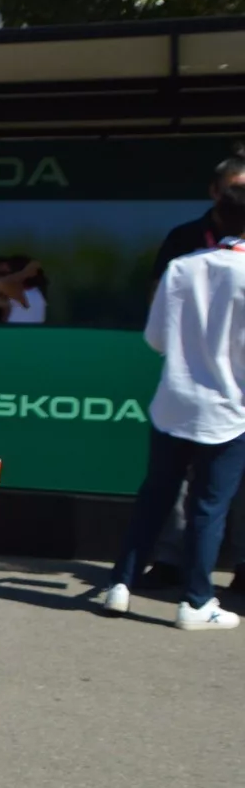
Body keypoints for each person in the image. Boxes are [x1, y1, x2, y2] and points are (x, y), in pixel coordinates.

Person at [100, 177, 245, 630]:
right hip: (229, 409)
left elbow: (156, 339)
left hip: (174, 402)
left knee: (154, 496)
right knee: (209, 506)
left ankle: (120, 586)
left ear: (217, 217)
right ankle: (197, 602)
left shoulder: (181, 268)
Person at [151, 153, 245, 285]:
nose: (240, 199)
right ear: (214, 191)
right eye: (233, 192)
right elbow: (159, 295)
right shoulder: (182, 238)